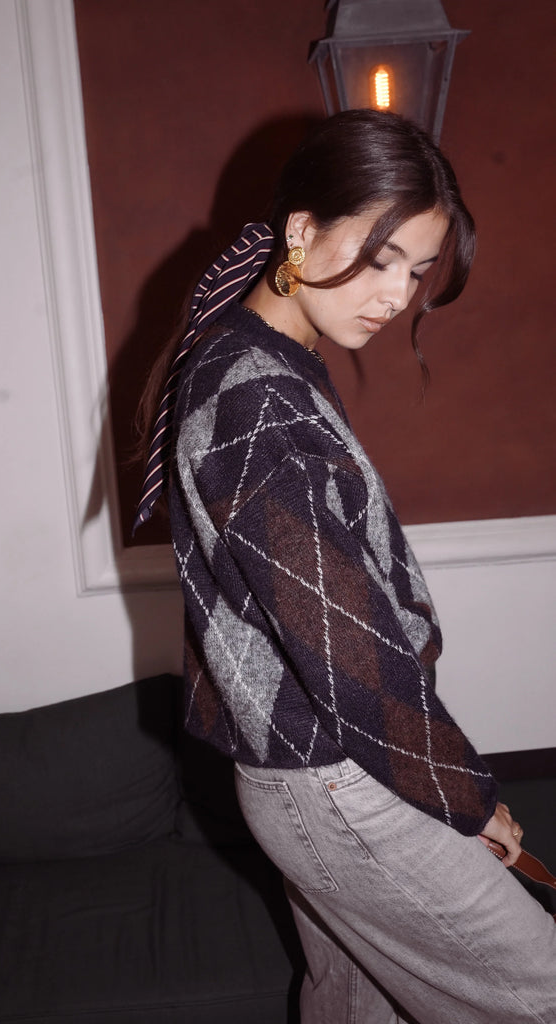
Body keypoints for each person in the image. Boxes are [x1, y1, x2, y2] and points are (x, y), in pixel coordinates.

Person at [134, 110, 556, 1023]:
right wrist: (464, 796)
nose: (396, 294)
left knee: (353, 1007)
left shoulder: (263, 359)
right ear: (300, 229)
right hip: (337, 775)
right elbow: (341, 645)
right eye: (379, 258)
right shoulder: (252, 394)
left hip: (310, 771)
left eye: (415, 270)